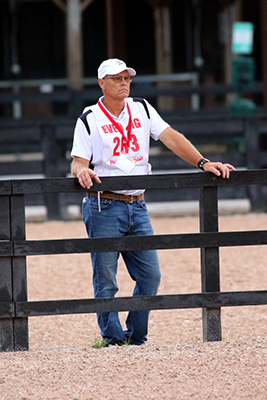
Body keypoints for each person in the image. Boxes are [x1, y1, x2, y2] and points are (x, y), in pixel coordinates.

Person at [70, 58, 235, 346]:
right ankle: (112, 339)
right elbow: (78, 163)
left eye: (126, 78)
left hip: (138, 204)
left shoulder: (142, 108)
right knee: (106, 278)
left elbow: (171, 137)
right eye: (117, 78)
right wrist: (82, 171)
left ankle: (135, 336)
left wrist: (203, 162)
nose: (124, 83)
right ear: (101, 83)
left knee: (150, 276)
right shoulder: (89, 118)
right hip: (103, 206)